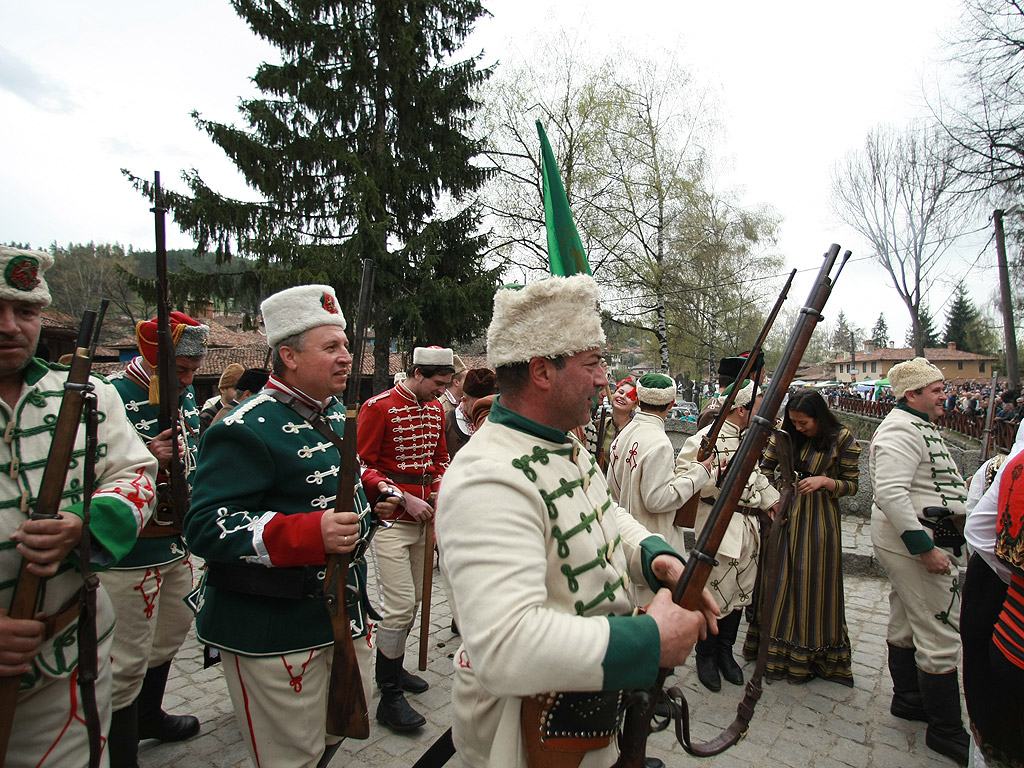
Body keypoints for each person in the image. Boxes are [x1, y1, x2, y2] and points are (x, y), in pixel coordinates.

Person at [436, 274, 716, 768]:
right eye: (593, 364)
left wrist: (658, 559)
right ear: (543, 371)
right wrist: (650, 640)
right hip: (522, 736)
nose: (605, 379)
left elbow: (606, 516)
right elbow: (506, 645)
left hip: (584, 714)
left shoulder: (564, 443)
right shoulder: (488, 475)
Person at [184, 284, 380, 768]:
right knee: (290, 755)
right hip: (271, 628)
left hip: (344, 612)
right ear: (288, 356)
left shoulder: (334, 414)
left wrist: (377, 504)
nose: (346, 358)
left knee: (339, 728)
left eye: (346, 346)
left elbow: (340, 489)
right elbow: (206, 526)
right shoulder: (243, 428)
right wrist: (312, 533)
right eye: (331, 347)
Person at [0, 246, 158, 768]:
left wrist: (85, 525)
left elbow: (134, 477)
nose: (9, 326)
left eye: (24, 312)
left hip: (69, 649)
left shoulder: (89, 396)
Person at [102, 310, 208, 767]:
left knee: (169, 634)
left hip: (176, 540)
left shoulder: (182, 397)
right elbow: (86, 473)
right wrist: (147, 455)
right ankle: (118, 750)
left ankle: (149, 714)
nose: (187, 379)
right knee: (125, 658)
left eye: (190, 371)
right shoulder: (109, 397)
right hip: (131, 549)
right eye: (179, 370)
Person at [869, 357, 971, 765]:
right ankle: (945, 731)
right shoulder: (899, 430)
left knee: (907, 619)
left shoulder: (915, 426)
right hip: (914, 543)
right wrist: (924, 550)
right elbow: (891, 494)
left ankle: (910, 700)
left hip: (918, 539)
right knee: (940, 625)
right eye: (937, 390)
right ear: (911, 395)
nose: (944, 395)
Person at [357, 346, 453, 731]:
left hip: (424, 518)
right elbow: (362, 464)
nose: (441, 392)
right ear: (416, 372)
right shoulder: (377, 407)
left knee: (412, 602)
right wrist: (402, 497)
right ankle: (388, 695)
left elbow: (440, 459)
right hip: (391, 521)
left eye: (447, 385)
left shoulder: (435, 409)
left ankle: (393, 670)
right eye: (437, 384)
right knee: (398, 606)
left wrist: (438, 491)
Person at [742, 389, 862, 685]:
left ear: (819, 418)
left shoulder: (842, 438)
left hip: (819, 523)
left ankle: (812, 654)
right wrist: (776, 492)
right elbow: (764, 469)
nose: (797, 428)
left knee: (814, 584)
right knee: (777, 579)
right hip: (782, 515)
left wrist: (826, 481)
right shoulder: (784, 435)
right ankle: (774, 652)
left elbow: (852, 485)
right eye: (793, 422)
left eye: (803, 423)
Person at [675, 378, 780, 692]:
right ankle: (705, 655)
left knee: (740, 595)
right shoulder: (705, 438)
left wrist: (772, 500)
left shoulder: (750, 437)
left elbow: (756, 476)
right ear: (742, 409)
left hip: (748, 528)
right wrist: (712, 476)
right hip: (720, 528)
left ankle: (725, 652)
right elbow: (684, 476)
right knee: (716, 597)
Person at [606, 372, 714, 601]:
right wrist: (699, 473)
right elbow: (657, 500)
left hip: (626, 538)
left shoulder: (623, 433)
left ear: (640, 397)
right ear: (671, 403)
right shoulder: (659, 442)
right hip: (652, 541)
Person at [960, 421, 1024, 768]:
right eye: (934, 391)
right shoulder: (1011, 468)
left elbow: (980, 530)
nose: (942, 397)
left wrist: (1011, 576)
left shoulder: (1010, 467)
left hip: (1007, 618)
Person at [444, 367, 496, 459]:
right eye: (476, 406)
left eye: (486, 406)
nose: (481, 411)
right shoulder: (447, 421)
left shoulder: (496, 422)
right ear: (464, 400)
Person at [199, 363, 243, 434]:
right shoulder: (206, 417)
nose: (240, 393)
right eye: (236, 389)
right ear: (222, 389)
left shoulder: (244, 412)